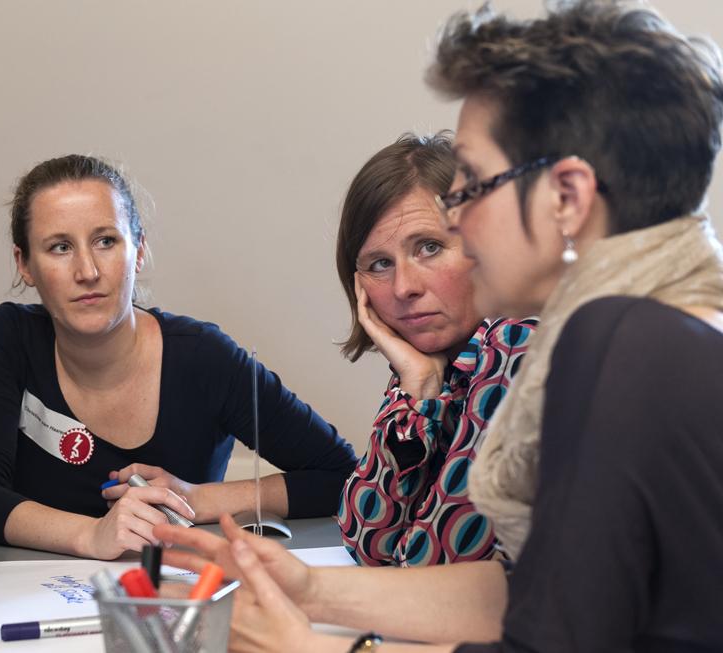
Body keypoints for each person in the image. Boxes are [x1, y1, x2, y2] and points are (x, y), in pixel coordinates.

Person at [156, 1, 723, 651]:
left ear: (567, 198)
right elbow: (539, 595)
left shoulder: (617, 346)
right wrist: (309, 588)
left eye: (473, 185)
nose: (459, 220)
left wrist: (313, 648)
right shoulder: (662, 326)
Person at [0, 154, 358, 559]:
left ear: (139, 250)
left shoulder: (203, 356)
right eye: (60, 247)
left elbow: (342, 475)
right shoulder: (6, 338)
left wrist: (197, 499)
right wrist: (93, 535)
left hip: (173, 599)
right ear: (24, 264)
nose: (88, 270)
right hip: (25, 597)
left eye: (106, 241)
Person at [334, 132, 535, 567]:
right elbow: (368, 541)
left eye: (429, 247)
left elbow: (433, 565)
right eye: (379, 264)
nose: (404, 287)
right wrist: (418, 389)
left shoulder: (520, 342)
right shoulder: (433, 363)